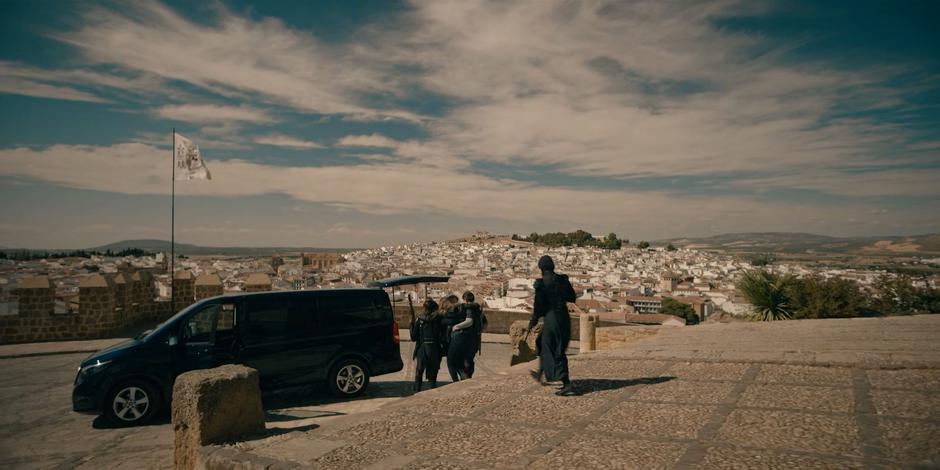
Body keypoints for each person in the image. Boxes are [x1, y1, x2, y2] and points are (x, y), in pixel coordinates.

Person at [527, 255, 579, 396]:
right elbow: (572, 297)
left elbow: (538, 307)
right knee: (544, 343)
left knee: (553, 349)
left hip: (552, 319)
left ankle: (566, 383)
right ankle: (541, 372)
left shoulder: (542, 284)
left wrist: (533, 321)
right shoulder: (562, 280)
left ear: (541, 268)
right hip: (563, 317)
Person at [411, 299, 445, 392]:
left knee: (419, 371)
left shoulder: (420, 319)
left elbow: (413, 337)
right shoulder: (439, 319)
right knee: (433, 373)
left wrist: (412, 325)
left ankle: (417, 390)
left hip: (422, 348)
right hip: (435, 348)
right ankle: (432, 391)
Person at [441, 294, 473, 381]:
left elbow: (450, 320)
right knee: (459, 363)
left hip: (456, 339)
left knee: (450, 362)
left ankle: (456, 382)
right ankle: (464, 379)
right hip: (466, 339)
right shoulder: (463, 309)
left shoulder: (454, 311)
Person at [459, 291, 486, 378]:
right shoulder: (478, 309)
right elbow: (485, 324)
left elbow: (469, 321)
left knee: (466, 359)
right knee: (470, 358)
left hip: (468, 337)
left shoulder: (469, 308)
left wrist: (457, 326)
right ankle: (469, 375)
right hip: (476, 338)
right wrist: (479, 331)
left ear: (465, 299)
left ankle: (467, 376)